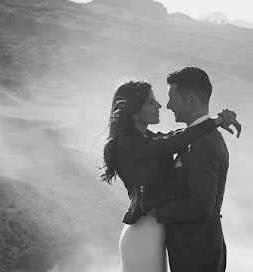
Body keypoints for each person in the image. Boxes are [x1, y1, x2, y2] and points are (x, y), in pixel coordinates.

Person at [99, 79, 239, 272]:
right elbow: (174, 142)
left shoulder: (148, 138)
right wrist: (215, 121)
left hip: (154, 231)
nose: (159, 106)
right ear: (134, 111)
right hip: (143, 232)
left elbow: (176, 135)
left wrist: (215, 120)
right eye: (150, 102)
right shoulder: (128, 143)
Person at [156, 67, 233, 272]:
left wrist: (154, 212)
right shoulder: (198, 136)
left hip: (197, 256)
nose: (168, 105)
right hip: (198, 251)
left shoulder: (204, 143)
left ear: (191, 99)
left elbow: (200, 204)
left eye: (173, 98)